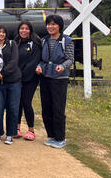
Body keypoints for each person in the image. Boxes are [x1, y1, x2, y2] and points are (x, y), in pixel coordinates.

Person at [36, 15, 74, 149]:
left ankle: (60, 138)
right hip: (45, 77)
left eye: (53, 24)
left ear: (59, 26)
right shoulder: (44, 40)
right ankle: (51, 135)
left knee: (58, 108)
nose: (50, 27)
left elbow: (70, 59)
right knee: (46, 108)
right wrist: (39, 66)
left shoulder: (67, 41)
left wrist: (62, 67)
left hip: (59, 79)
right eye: (48, 24)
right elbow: (41, 59)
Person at [0, 24, 21, 145]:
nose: (1, 34)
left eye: (3, 32)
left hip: (14, 81)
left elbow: (14, 61)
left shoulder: (12, 44)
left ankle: (10, 134)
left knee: (13, 108)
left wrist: (2, 73)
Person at [15, 21, 42, 141]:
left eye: (26, 28)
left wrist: (23, 75)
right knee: (18, 103)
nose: (23, 31)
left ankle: (31, 130)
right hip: (16, 78)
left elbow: (34, 61)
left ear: (30, 30)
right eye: (21, 28)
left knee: (26, 102)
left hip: (30, 78)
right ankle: (17, 128)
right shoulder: (16, 42)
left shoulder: (35, 43)